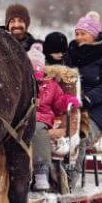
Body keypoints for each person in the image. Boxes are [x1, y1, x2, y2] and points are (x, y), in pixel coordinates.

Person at [66, 11, 102, 187]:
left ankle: (70, 179)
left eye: (83, 33)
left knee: (79, 136)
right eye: (77, 33)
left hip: (97, 109)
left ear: (94, 34)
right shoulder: (71, 53)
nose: (79, 37)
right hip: (68, 106)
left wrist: (87, 99)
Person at [28, 43, 81, 191]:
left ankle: (41, 172)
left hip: (42, 119)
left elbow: (58, 103)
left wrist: (67, 101)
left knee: (37, 129)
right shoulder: (22, 82)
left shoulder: (51, 85)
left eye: (37, 68)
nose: (35, 73)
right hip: (23, 117)